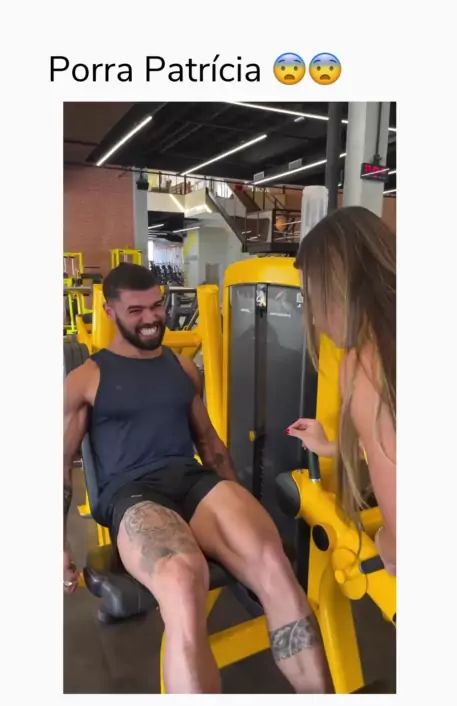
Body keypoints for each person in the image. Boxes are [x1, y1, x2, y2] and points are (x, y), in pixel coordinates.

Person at [63, 263, 332, 695]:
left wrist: (239, 501)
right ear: (111, 312)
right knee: (183, 582)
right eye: (136, 311)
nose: (151, 318)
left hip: (192, 479)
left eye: (156, 306)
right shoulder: (86, 379)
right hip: (133, 493)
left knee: (273, 563)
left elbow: (209, 442)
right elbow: (58, 462)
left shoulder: (183, 368)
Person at [286, 206, 396, 575]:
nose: (316, 319)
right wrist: (332, 447)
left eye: (314, 300)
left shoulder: (366, 365)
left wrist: (386, 543)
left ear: (340, 290)